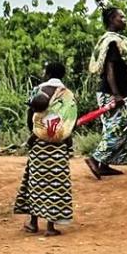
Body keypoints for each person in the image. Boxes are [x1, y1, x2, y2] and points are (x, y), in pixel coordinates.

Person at [14, 60, 78, 235]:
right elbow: (70, 121)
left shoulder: (37, 91)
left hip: (39, 144)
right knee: (56, 185)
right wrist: (63, 137)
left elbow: (31, 116)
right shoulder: (68, 95)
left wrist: (36, 133)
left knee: (35, 183)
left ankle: (33, 223)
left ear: (47, 74)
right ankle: (50, 227)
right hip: (59, 146)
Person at [85, 7, 127, 178]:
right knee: (118, 128)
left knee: (114, 127)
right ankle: (95, 159)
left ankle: (104, 164)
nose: (124, 20)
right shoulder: (112, 43)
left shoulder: (116, 41)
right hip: (111, 92)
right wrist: (116, 94)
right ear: (111, 19)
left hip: (115, 92)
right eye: (121, 17)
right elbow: (109, 70)